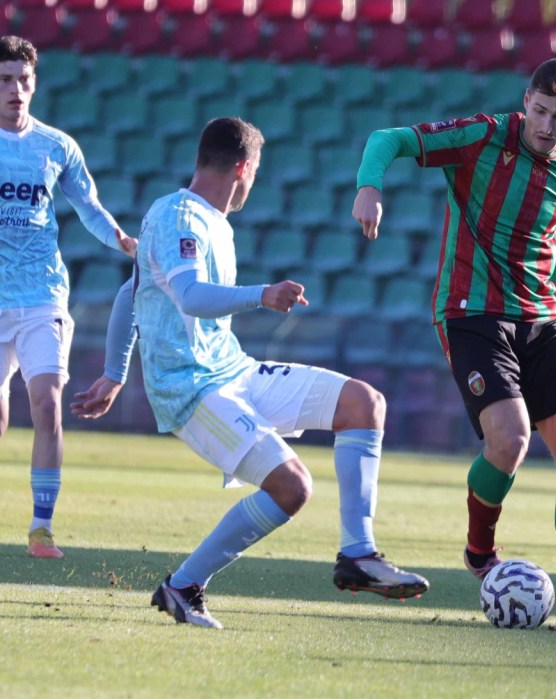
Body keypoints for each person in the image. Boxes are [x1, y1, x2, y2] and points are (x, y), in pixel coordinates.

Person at [70, 117, 428, 629]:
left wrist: (113, 371)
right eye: (256, 172)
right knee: (292, 487)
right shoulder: (179, 218)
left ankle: (359, 555)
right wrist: (261, 295)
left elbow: (133, 291)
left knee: (363, 403)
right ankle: (183, 586)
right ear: (243, 167)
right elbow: (190, 297)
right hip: (191, 390)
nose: (254, 182)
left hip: (235, 369)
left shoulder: (213, 220)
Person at [351, 57, 556, 633]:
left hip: (542, 321)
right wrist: (369, 187)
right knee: (512, 439)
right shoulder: (485, 137)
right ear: (526, 101)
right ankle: (479, 554)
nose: (546, 125)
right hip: (472, 313)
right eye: (539, 111)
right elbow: (388, 139)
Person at [0, 35, 135, 560]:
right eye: (6, 80)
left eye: (24, 80)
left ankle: (40, 528)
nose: (16, 91)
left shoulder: (56, 146)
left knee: (47, 401)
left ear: (35, 83)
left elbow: (89, 207)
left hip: (41, 295)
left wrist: (121, 239)